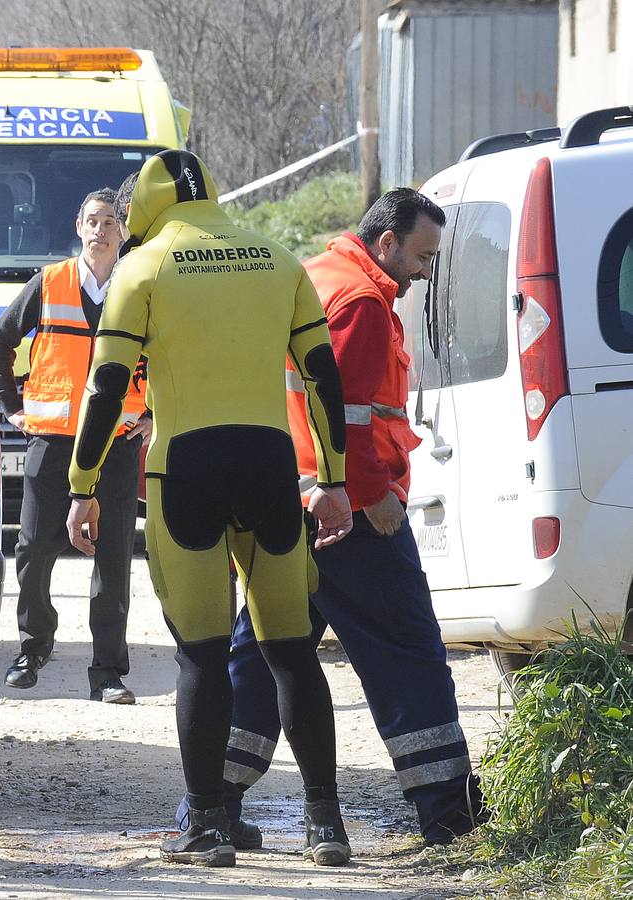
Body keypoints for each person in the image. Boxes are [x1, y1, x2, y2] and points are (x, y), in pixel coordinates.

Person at [66, 150, 354, 868]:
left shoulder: (143, 265)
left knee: (199, 659)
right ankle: (326, 827)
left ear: (139, 209)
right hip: (268, 467)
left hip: (184, 471)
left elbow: (105, 386)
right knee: (290, 652)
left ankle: (205, 827)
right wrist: (336, 476)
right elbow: (321, 375)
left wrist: (81, 483)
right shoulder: (276, 256)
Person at [189, 188, 490, 848]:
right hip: (347, 512)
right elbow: (345, 417)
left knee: (263, 658)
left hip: (283, 503)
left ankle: (209, 806)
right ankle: (448, 814)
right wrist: (372, 494)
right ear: (385, 243)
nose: (424, 271)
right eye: (420, 255)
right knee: (406, 651)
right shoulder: (358, 300)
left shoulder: (314, 277)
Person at [0, 188, 149, 702]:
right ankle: (33, 648)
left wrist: (155, 411)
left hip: (118, 444)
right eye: (92, 221)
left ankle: (107, 674)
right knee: (33, 547)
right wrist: (9, 405)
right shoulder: (50, 281)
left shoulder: (141, 285)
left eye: (110, 222)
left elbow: (173, 353)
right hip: (53, 440)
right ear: (79, 227)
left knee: (113, 557)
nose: (101, 231)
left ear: (123, 232)